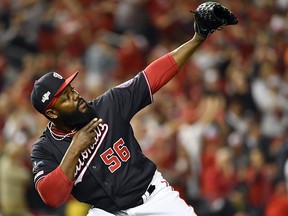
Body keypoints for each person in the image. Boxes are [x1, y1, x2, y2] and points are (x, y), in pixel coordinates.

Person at [30, 2, 238, 216]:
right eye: (65, 98)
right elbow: (51, 197)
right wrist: (75, 149)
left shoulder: (108, 106)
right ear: (52, 113)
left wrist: (197, 39)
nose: (75, 96)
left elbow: (151, 77)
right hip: (108, 212)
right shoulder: (45, 149)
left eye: (71, 90)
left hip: (154, 198)